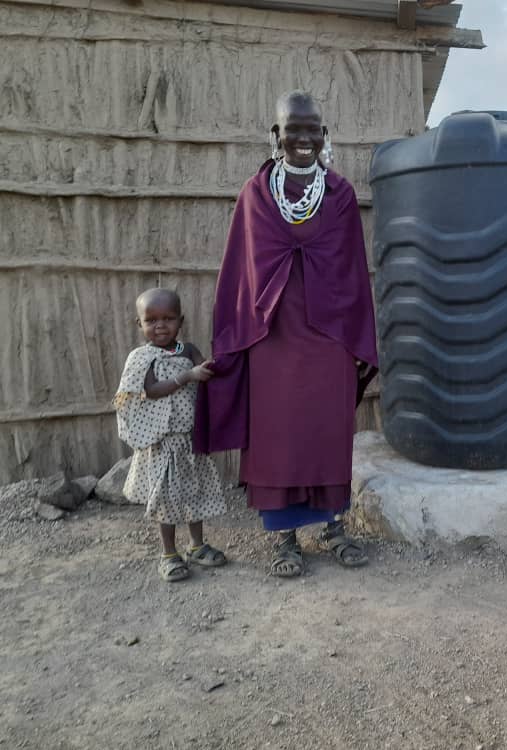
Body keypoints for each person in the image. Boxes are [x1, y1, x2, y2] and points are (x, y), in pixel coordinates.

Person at [194, 91, 377, 577]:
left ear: (324, 134)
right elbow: (241, 271)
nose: (302, 138)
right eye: (292, 129)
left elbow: (354, 272)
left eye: (311, 128)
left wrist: (357, 337)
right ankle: (284, 538)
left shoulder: (338, 196)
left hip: (329, 334)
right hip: (272, 336)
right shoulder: (256, 195)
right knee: (278, 435)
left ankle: (334, 529)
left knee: (327, 431)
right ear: (276, 136)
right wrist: (237, 336)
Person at [115, 288, 228, 582]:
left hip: (190, 440)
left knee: (194, 493)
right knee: (166, 499)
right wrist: (187, 376)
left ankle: (197, 546)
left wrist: (217, 362)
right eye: (151, 320)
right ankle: (168, 554)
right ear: (138, 324)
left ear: (181, 320)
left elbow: (207, 369)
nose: (160, 325)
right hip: (163, 443)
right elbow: (150, 391)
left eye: (168, 318)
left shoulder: (187, 351)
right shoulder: (143, 358)